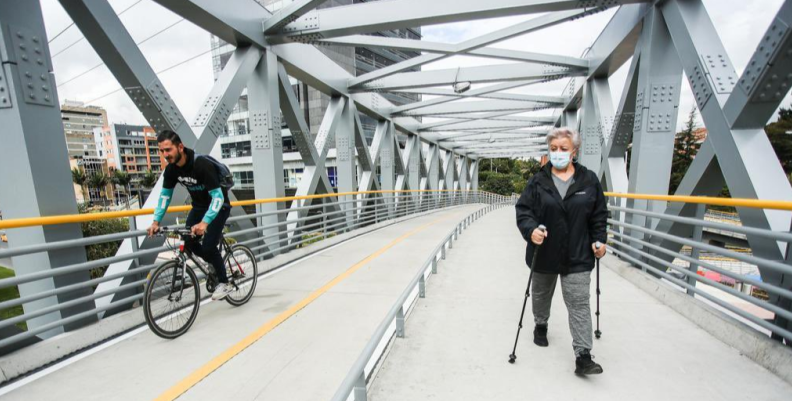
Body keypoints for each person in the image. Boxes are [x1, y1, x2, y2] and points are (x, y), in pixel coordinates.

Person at [515, 127, 608, 375]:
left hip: (577, 254)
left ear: (574, 151)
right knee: (541, 295)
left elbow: (599, 215)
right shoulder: (538, 181)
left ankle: (583, 356)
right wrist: (531, 229)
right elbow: (524, 211)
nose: (558, 153)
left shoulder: (589, 180)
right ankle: (541, 324)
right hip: (544, 251)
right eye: (553, 149)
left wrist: (600, 241)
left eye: (563, 149)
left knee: (578, 303)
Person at [146, 130, 233, 301]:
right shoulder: (171, 171)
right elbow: (165, 197)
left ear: (180, 147)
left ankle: (224, 282)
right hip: (199, 207)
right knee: (188, 243)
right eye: (162, 151)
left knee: (208, 247)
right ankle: (214, 263)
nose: (165, 155)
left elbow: (218, 197)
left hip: (219, 207)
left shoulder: (201, 165)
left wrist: (205, 223)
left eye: (168, 150)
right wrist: (156, 221)